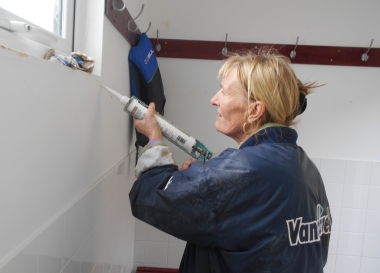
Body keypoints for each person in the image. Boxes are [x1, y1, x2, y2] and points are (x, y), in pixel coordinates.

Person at [129, 47, 332, 273]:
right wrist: (205, 181)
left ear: (255, 111)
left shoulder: (245, 170)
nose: (214, 100)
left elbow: (148, 196)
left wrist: (155, 140)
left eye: (224, 92)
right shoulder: (306, 169)